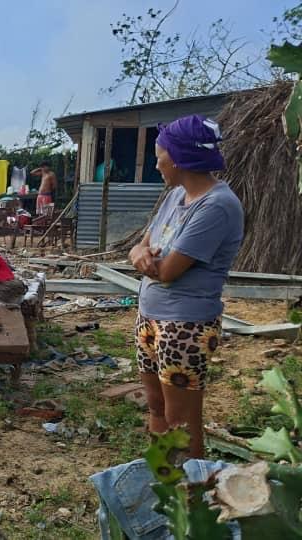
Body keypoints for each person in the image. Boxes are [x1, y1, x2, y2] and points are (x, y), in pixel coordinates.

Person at [128, 114, 243, 458]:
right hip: (150, 316)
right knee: (156, 406)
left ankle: (190, 496)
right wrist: (138, 254)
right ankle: (164, 482)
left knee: (181, 419)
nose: (157, 162)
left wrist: (144, 261)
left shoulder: (217, 206)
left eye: (160, 154)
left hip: (185, 326)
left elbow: (168, 271)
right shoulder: (176, 196)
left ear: (178, 158)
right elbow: (141, 245)